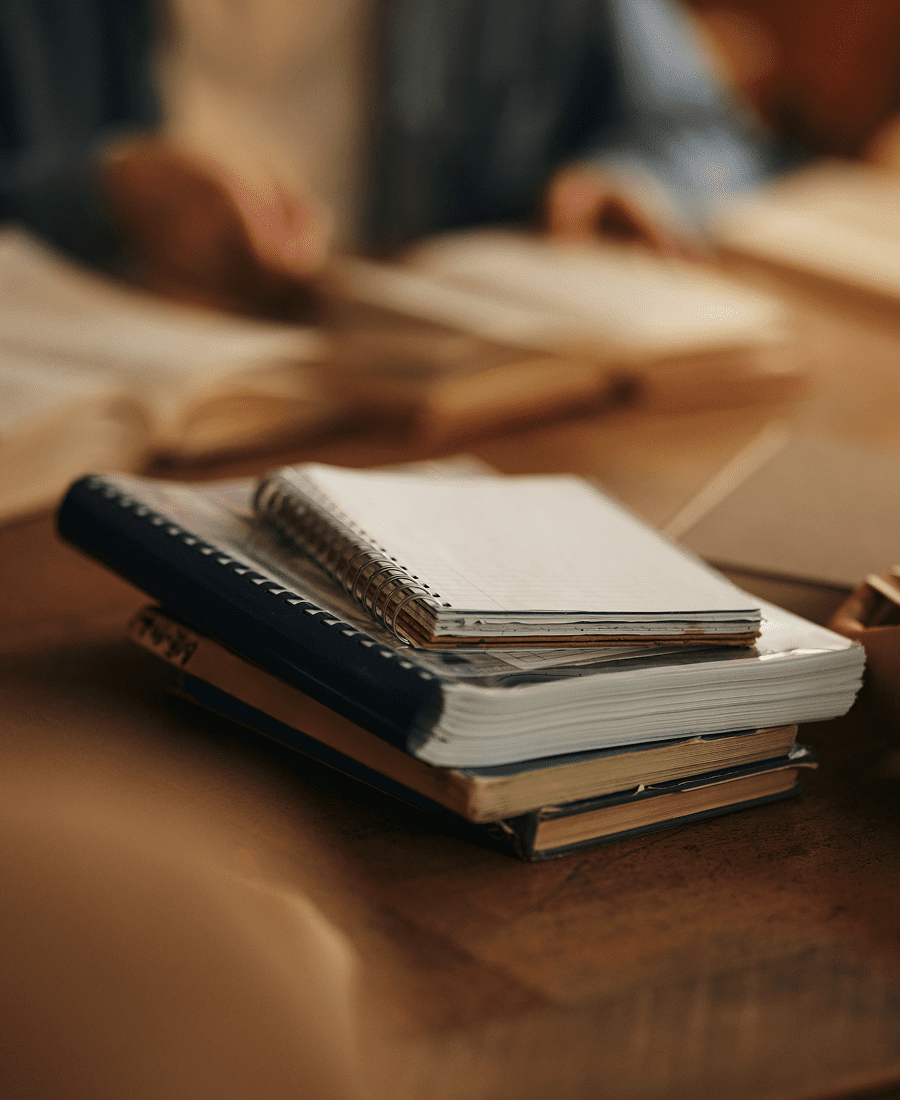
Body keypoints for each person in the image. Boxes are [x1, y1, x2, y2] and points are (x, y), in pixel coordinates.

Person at [0, 0, 788, 317]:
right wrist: (94, 196)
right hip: (117, 414)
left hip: (448, 424)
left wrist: (635, 182)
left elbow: (706, 128)